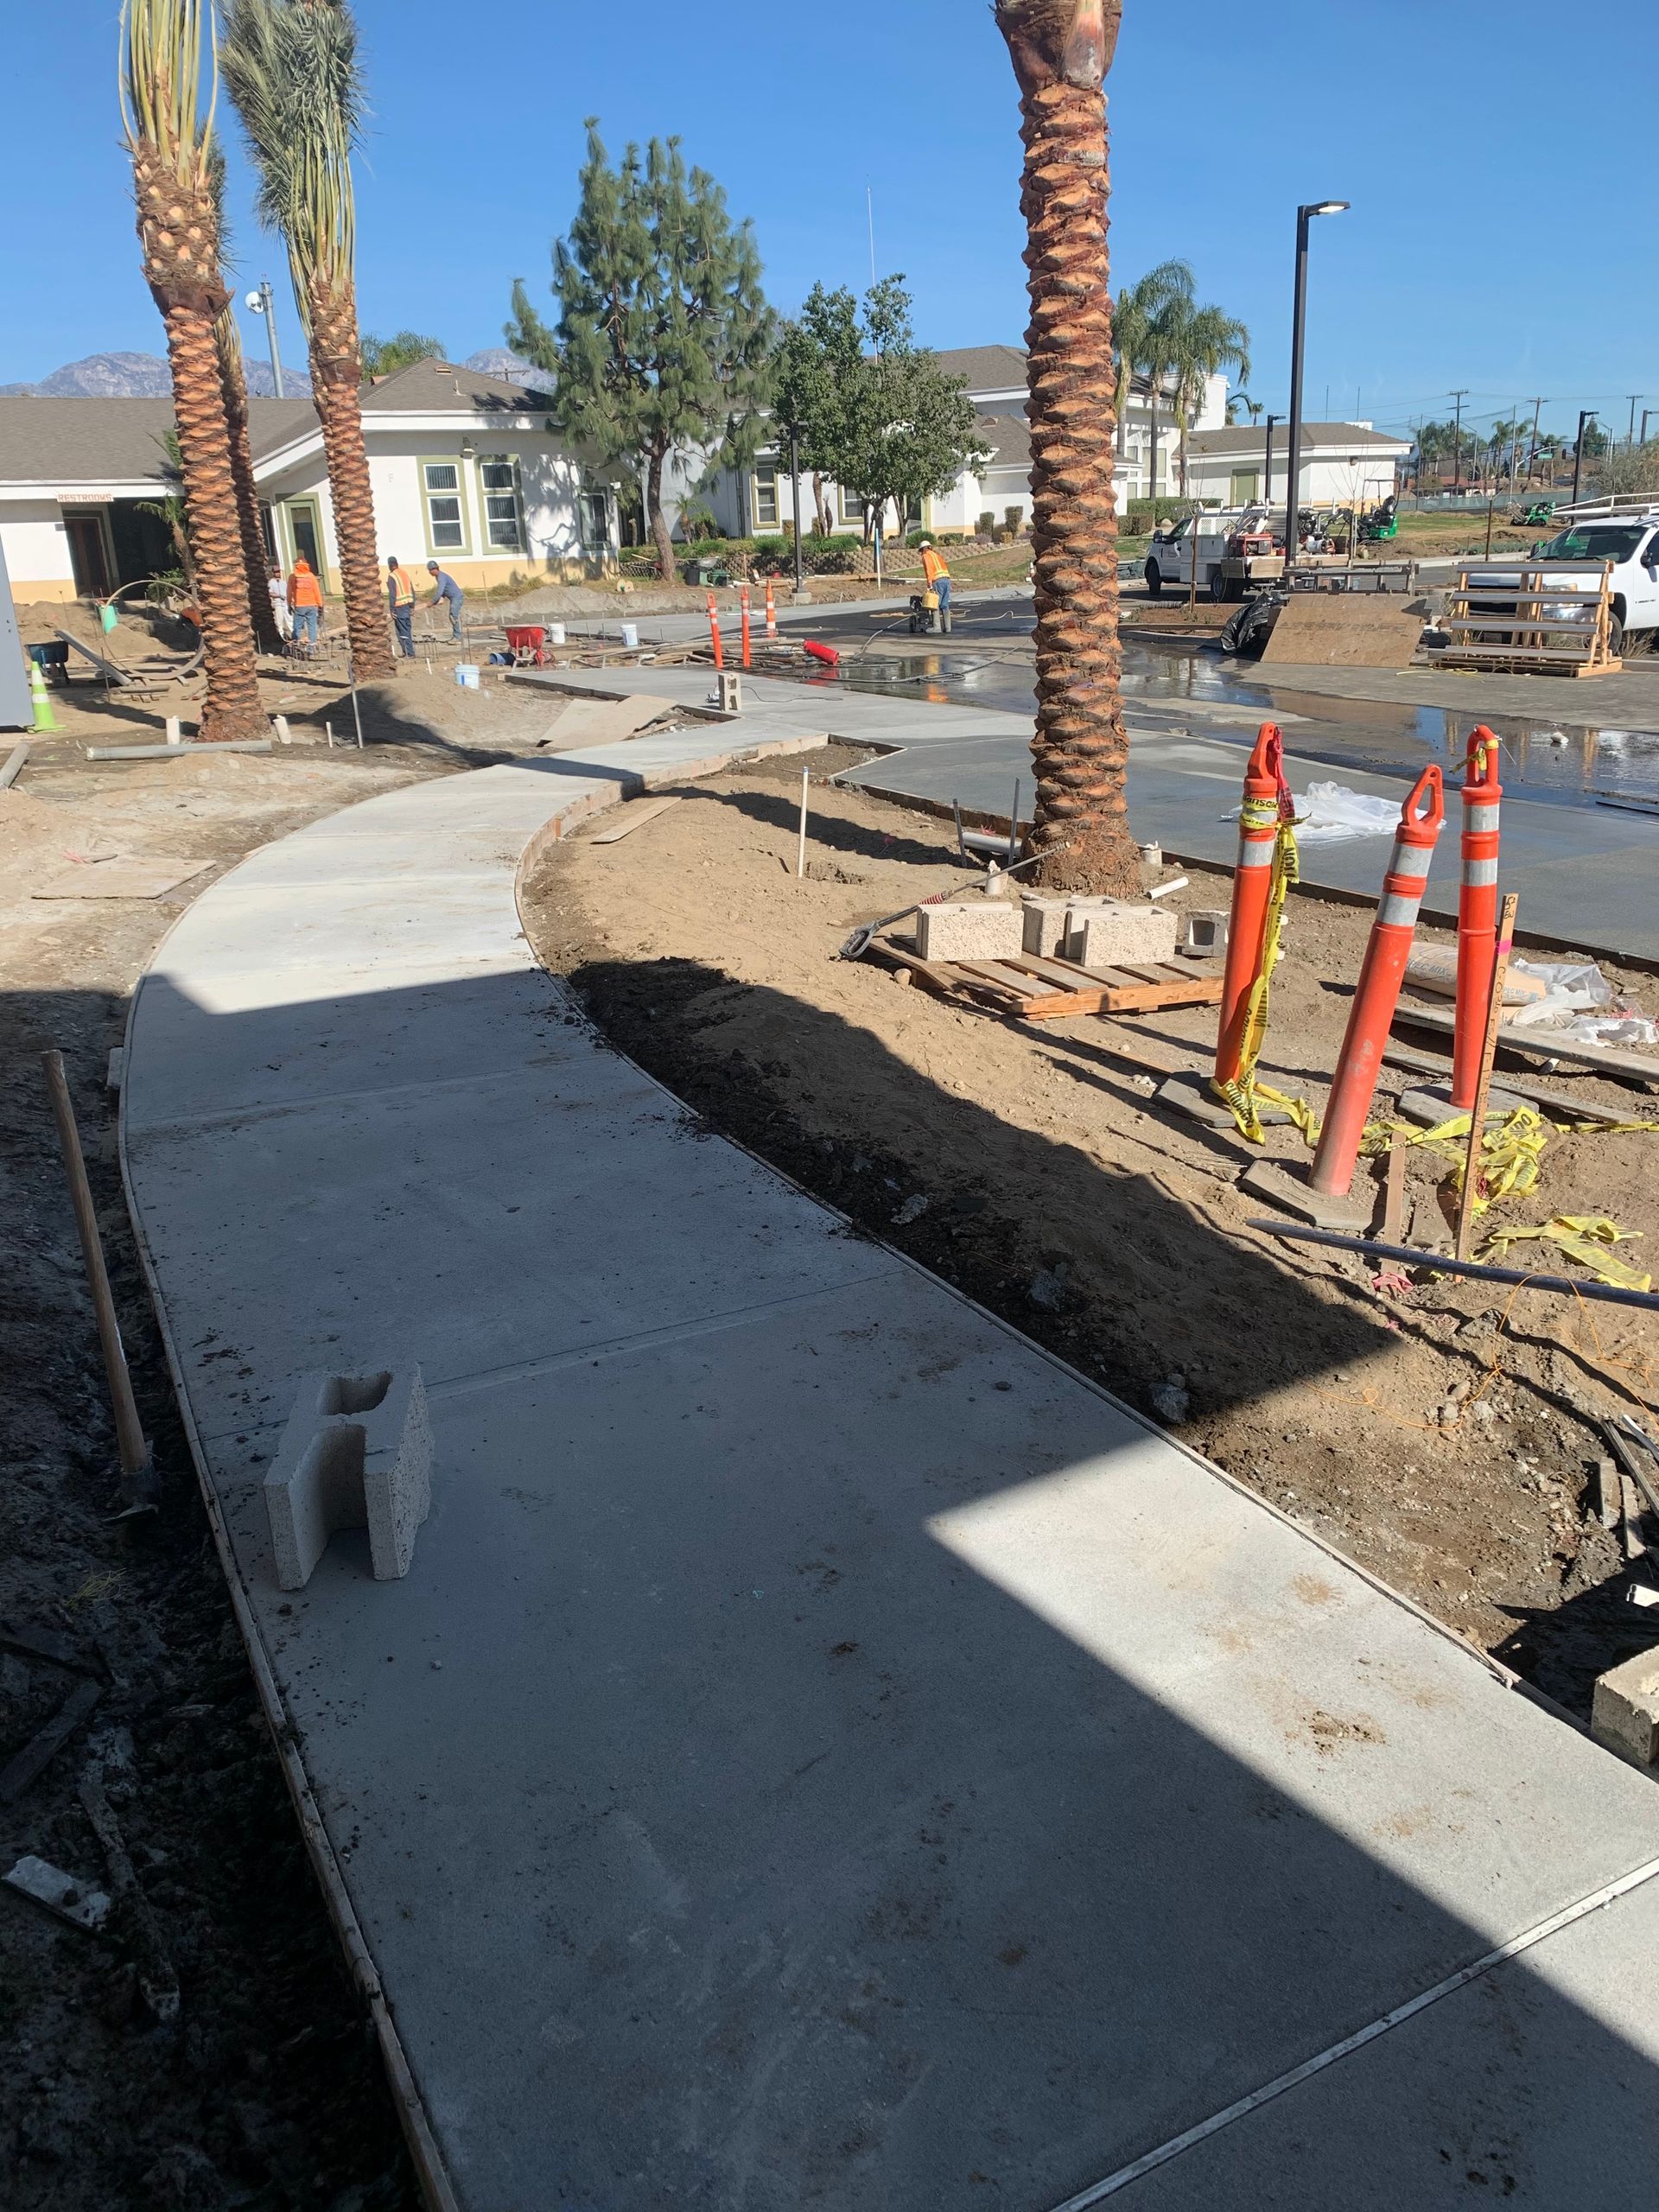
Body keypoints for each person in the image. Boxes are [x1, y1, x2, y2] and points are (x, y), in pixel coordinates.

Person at [287, 556, 323, 653]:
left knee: (297, 626)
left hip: (300, 606)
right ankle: (311, 647)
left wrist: (288, 604)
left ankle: (295, 646)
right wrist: (320, 604)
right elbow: (316, 591)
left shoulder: (293, 576)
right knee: (312, 626)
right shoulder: (311, 576)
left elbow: (289, 592)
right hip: (312, 605)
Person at [426, 561, 465, 641]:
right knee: (452, 616)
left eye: (430, 570)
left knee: (453, 616)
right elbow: (444, 590)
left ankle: (457, 637)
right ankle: (456, 636)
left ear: (434, 569)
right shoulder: (439, 577)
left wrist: (432, 602)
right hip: (453, 598)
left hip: (457, 597)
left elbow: (439, 591)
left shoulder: (441, 577)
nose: (429, 573)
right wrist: (442, 597)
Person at [386, 556, 416, 658]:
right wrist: (412, 606)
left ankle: (409, 652)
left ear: (390, 565)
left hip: (399, 607)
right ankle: (407, 651)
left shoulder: (392, 576)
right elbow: (412, 590)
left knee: (402, 631)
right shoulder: (404, 574)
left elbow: (392, 594)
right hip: (407, 605)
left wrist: (392, 609)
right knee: (406, 629)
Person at [918, 537, 951, 621]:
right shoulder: (936, 555)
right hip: (947, 580)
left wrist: (929, 585)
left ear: (923, 549)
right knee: (945, 605)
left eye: (921, 551)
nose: (921, 553)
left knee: (934, 604)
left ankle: (936, 628)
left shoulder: (926, 556)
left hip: (938, 581)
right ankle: (947, 628)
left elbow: (929, 570)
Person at [267, 561, 290, 645]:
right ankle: (281, 636)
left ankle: (293, 635)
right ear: (273, 573)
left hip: (286, 603)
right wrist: (279, 596)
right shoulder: (271, 582)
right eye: (276, 572)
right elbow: (270, 593)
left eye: (278, 572)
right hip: (278, 603)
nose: (278, 573)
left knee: (289, 619)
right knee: (279, 621)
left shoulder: (283, 582)